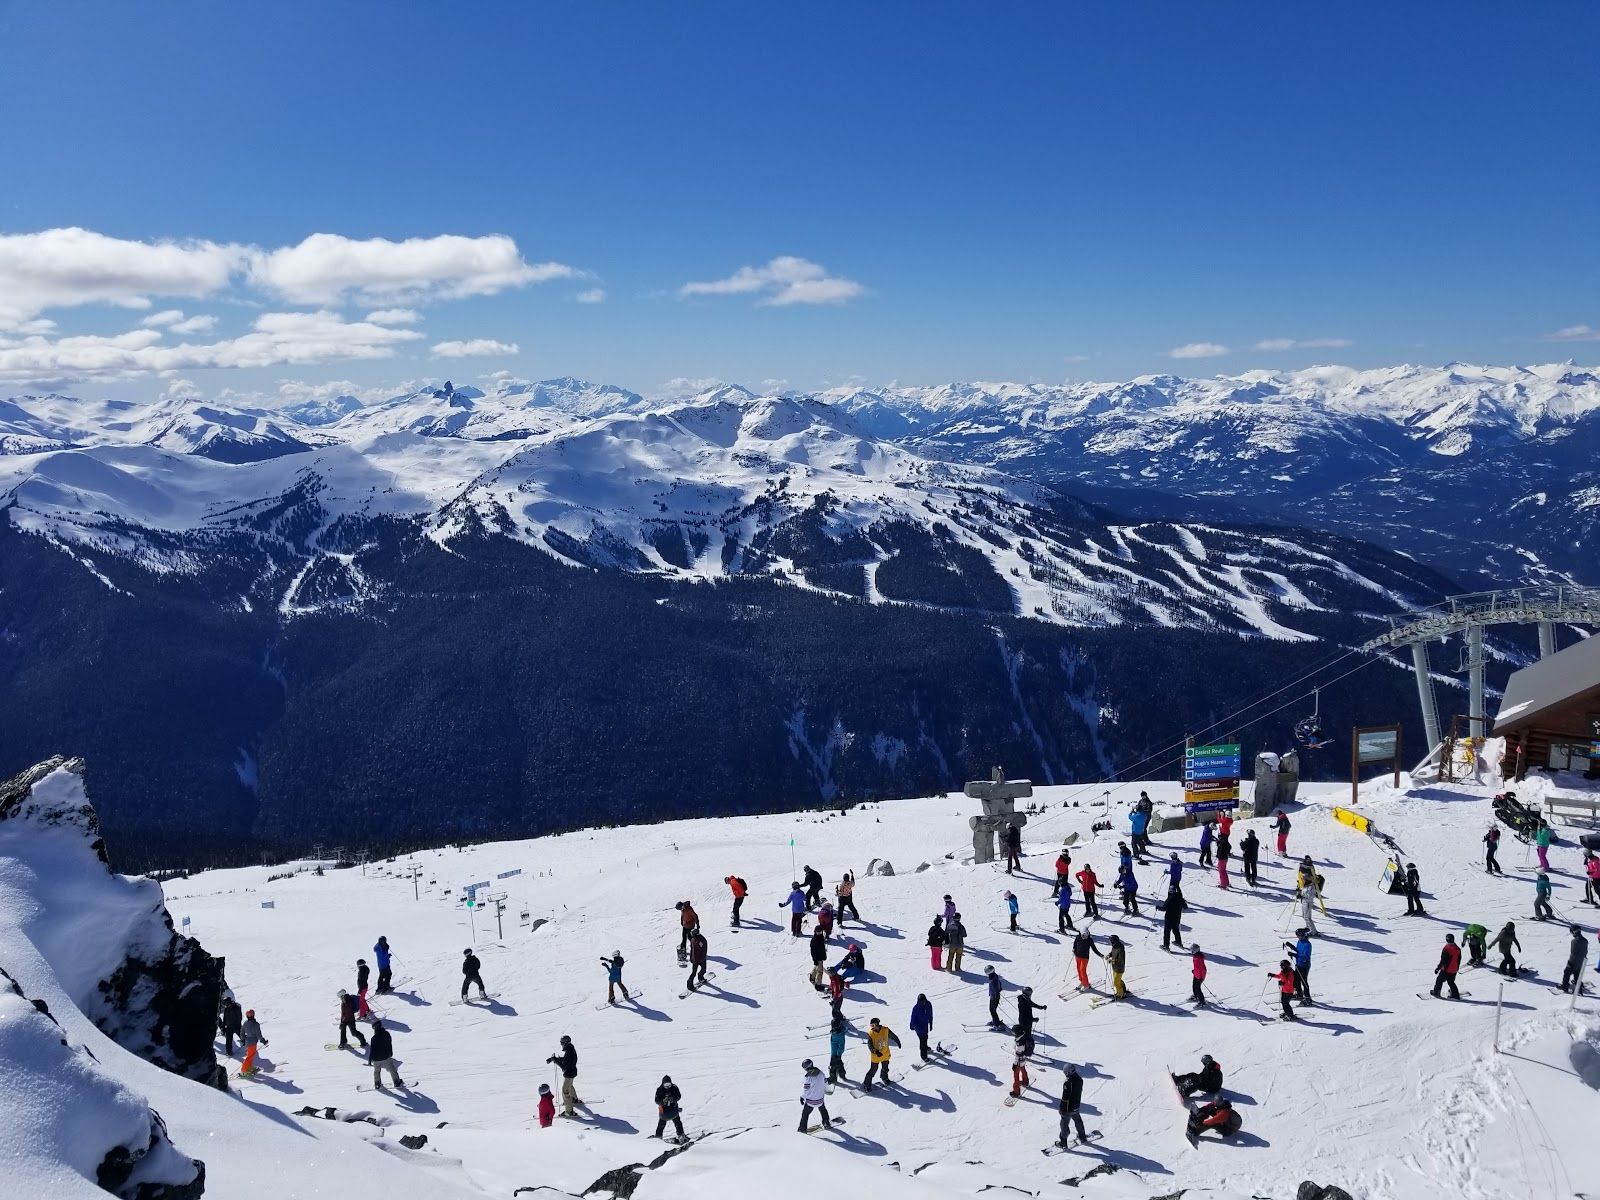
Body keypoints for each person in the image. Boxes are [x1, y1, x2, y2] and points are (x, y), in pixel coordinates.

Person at [862, 1018, 901, 1091]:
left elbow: (892, 1036)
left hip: (885, 1054)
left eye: (873, 1025)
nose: (872, 1027)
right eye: (871, 1025)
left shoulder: (885, 1030)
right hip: (876, 1056)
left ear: (877, 1024)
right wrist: (875, 1051)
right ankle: (866, 1085)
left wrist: (897, 1041)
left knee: (885, 1068)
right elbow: (870, 1045)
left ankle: (884, 1078)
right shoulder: (871, 1034)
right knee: (873, 1071)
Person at [546, 1035, 579, 1117]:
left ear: (565, 1043)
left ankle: (569, 1112)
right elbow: (565, 1060)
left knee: (565, 1091)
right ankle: (574, 1099)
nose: (561, 1044)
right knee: (569, 1086)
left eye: (562, 1043)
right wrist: (554, 1059)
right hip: (572, 1072)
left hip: (569, 1073)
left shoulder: (569, 1051)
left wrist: (556, 1061)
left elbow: (564, 1067)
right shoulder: (570, 1049)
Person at [369, 1018, 404, 1090]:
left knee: (377, 1071)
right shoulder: (386, 1034)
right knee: (392, 1069)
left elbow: (372, 1050)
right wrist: (390, 1054)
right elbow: (389, 1044)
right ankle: (397, 1082)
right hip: (386, 1056)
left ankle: (377, 1084)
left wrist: (370, 1060)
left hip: (376, 1058)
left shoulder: (374, 1038)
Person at [1058, 1065, 1088, 1147]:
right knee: (1078, 1121)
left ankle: (1063, 1142)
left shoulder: (1068, 1083)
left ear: (1068, 1072)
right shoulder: (1080, 1079)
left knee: (1064, 1124)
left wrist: (1061, 1108)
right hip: (1076, 1106)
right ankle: (1082, 1137)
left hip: (1068, 1108)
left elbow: (1065, 1098)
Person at [798, 1060, 832, 1132]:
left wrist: (802, 1097)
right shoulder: (821, 1073)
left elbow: (806, 1090)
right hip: (820, 1100)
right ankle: (826, 1122)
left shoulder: (808, 1077)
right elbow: (825, 1083)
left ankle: (802, 1128)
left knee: (805, 1114)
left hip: (811, 1101)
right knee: (823, 1109)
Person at [653, 1075, 686, 1141]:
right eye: (666, 1085)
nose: (667, 1087)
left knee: (678, 1123)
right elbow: (656, 1100)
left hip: (673, 1109)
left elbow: (679, 1096)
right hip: (664, 1111)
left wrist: (673, 1099)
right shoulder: (659, 1089)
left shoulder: (674, 1087)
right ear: (663, 1084)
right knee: (661, 1124)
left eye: (669, 1084)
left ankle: (681, 1135)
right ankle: (658, 1137)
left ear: (671, 1083)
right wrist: (662, 1101)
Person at [1286, 928, 1313, 1004]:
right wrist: (1291, 946)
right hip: (1298, 964)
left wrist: (1294, 955)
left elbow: (1305, 956)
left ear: (1303, 935)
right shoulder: (1300, 941)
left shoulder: (1307, 944)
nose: (1298, 936)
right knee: (1296, 979)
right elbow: (1298, 950)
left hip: (1304, 965)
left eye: (1299, 935)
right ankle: (1299, 993)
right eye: (1297, 935)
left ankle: (1308, 998)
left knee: (1304, 981)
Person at [1560, 925, 1590, 993]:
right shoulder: (1585, 940)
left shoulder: (1574, 941)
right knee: (1577, 975)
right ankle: (1578, 989)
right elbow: (1585, 951)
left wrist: (1570, 963)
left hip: (1573, 962)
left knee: (1566, 973)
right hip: (1581, 962)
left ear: (1574, 932)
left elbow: (1573, 953)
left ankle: (1564, 987)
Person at [1432, 933, 1462, 999]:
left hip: (1446, 969)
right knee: (1451, 982)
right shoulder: (1457, 948)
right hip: (1454, 969)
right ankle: (1455, 995)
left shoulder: (1446, 948)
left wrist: (1438, 968)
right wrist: (1456, 968)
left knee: (1439, 980)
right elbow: (1459, 959)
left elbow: (1443, 960)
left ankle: (1436, 992)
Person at [240, 1008, 266, 1075]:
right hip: (252, 1043)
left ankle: (249, 1067)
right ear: (253, 1015)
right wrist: (263, 1040)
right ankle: (244, 1070)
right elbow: (258, 1034)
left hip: (247, 1042)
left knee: (251, 1055)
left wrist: (242, 1039)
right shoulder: (256, 1024)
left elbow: (242, 1031)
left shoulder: (245, 1023)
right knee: (250, 1056)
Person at [910, 993, 934, 1061]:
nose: (923, 1003)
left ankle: (925, 1048)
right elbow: (913, 1018)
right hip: (918, 1027)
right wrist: (912, 1026)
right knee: (923, 1041)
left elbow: (930, 1014)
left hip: (925, 1026)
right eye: (921, 1001)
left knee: (925, 1038)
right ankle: (924, 1057)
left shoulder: (928, 1004)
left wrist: (931, 1023)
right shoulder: (916, 1008)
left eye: (924, 1001)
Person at [1162, 885, 1186, 951]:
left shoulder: (1170, 898)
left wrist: (1158, 907)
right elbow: (1185, 906)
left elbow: (1164, 908)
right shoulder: (1180, 897)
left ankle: (1166, 946)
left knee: (1167, 932)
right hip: (1177, 917)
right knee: (1175, 929)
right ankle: (1178, 942)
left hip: (1169, 918)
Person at [1010, 1024, 1031, 1098]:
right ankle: (1025, 1081)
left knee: (1016, 1075)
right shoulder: (1024, 1036)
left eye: (1014, 1032)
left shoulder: (1020, 1042)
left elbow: (1018, 1054)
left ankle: (1016, 1092)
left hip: (1019, 1060)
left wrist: (1014, 1064)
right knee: (1023, 1068)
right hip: (1024, 1059)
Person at [827, 1013, 848, 1084]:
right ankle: (842, 1074)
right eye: (832, 1026)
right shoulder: (835, 1031)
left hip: (836, 1053)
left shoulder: (840, 1034)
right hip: (834, 1051)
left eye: (834, 1026)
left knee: (833, 1065)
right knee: (838, 1063)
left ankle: (833, 1078)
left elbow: (842, 1045)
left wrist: (838, 1054)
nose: (833, 1027)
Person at [1107, 935, 1128, 999]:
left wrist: (1112, 961)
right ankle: (1122, 990)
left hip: (1119, 968)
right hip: (1115, 967)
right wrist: (1109, 955)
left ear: (1114, 941)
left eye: (1111, 941)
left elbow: (1120, 960)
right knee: (1117, 980)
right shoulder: (1115, 946)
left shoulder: (1120, 949)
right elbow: (1113, 952)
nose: (1110, 942)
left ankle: (1121, 994)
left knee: (1116, 982)